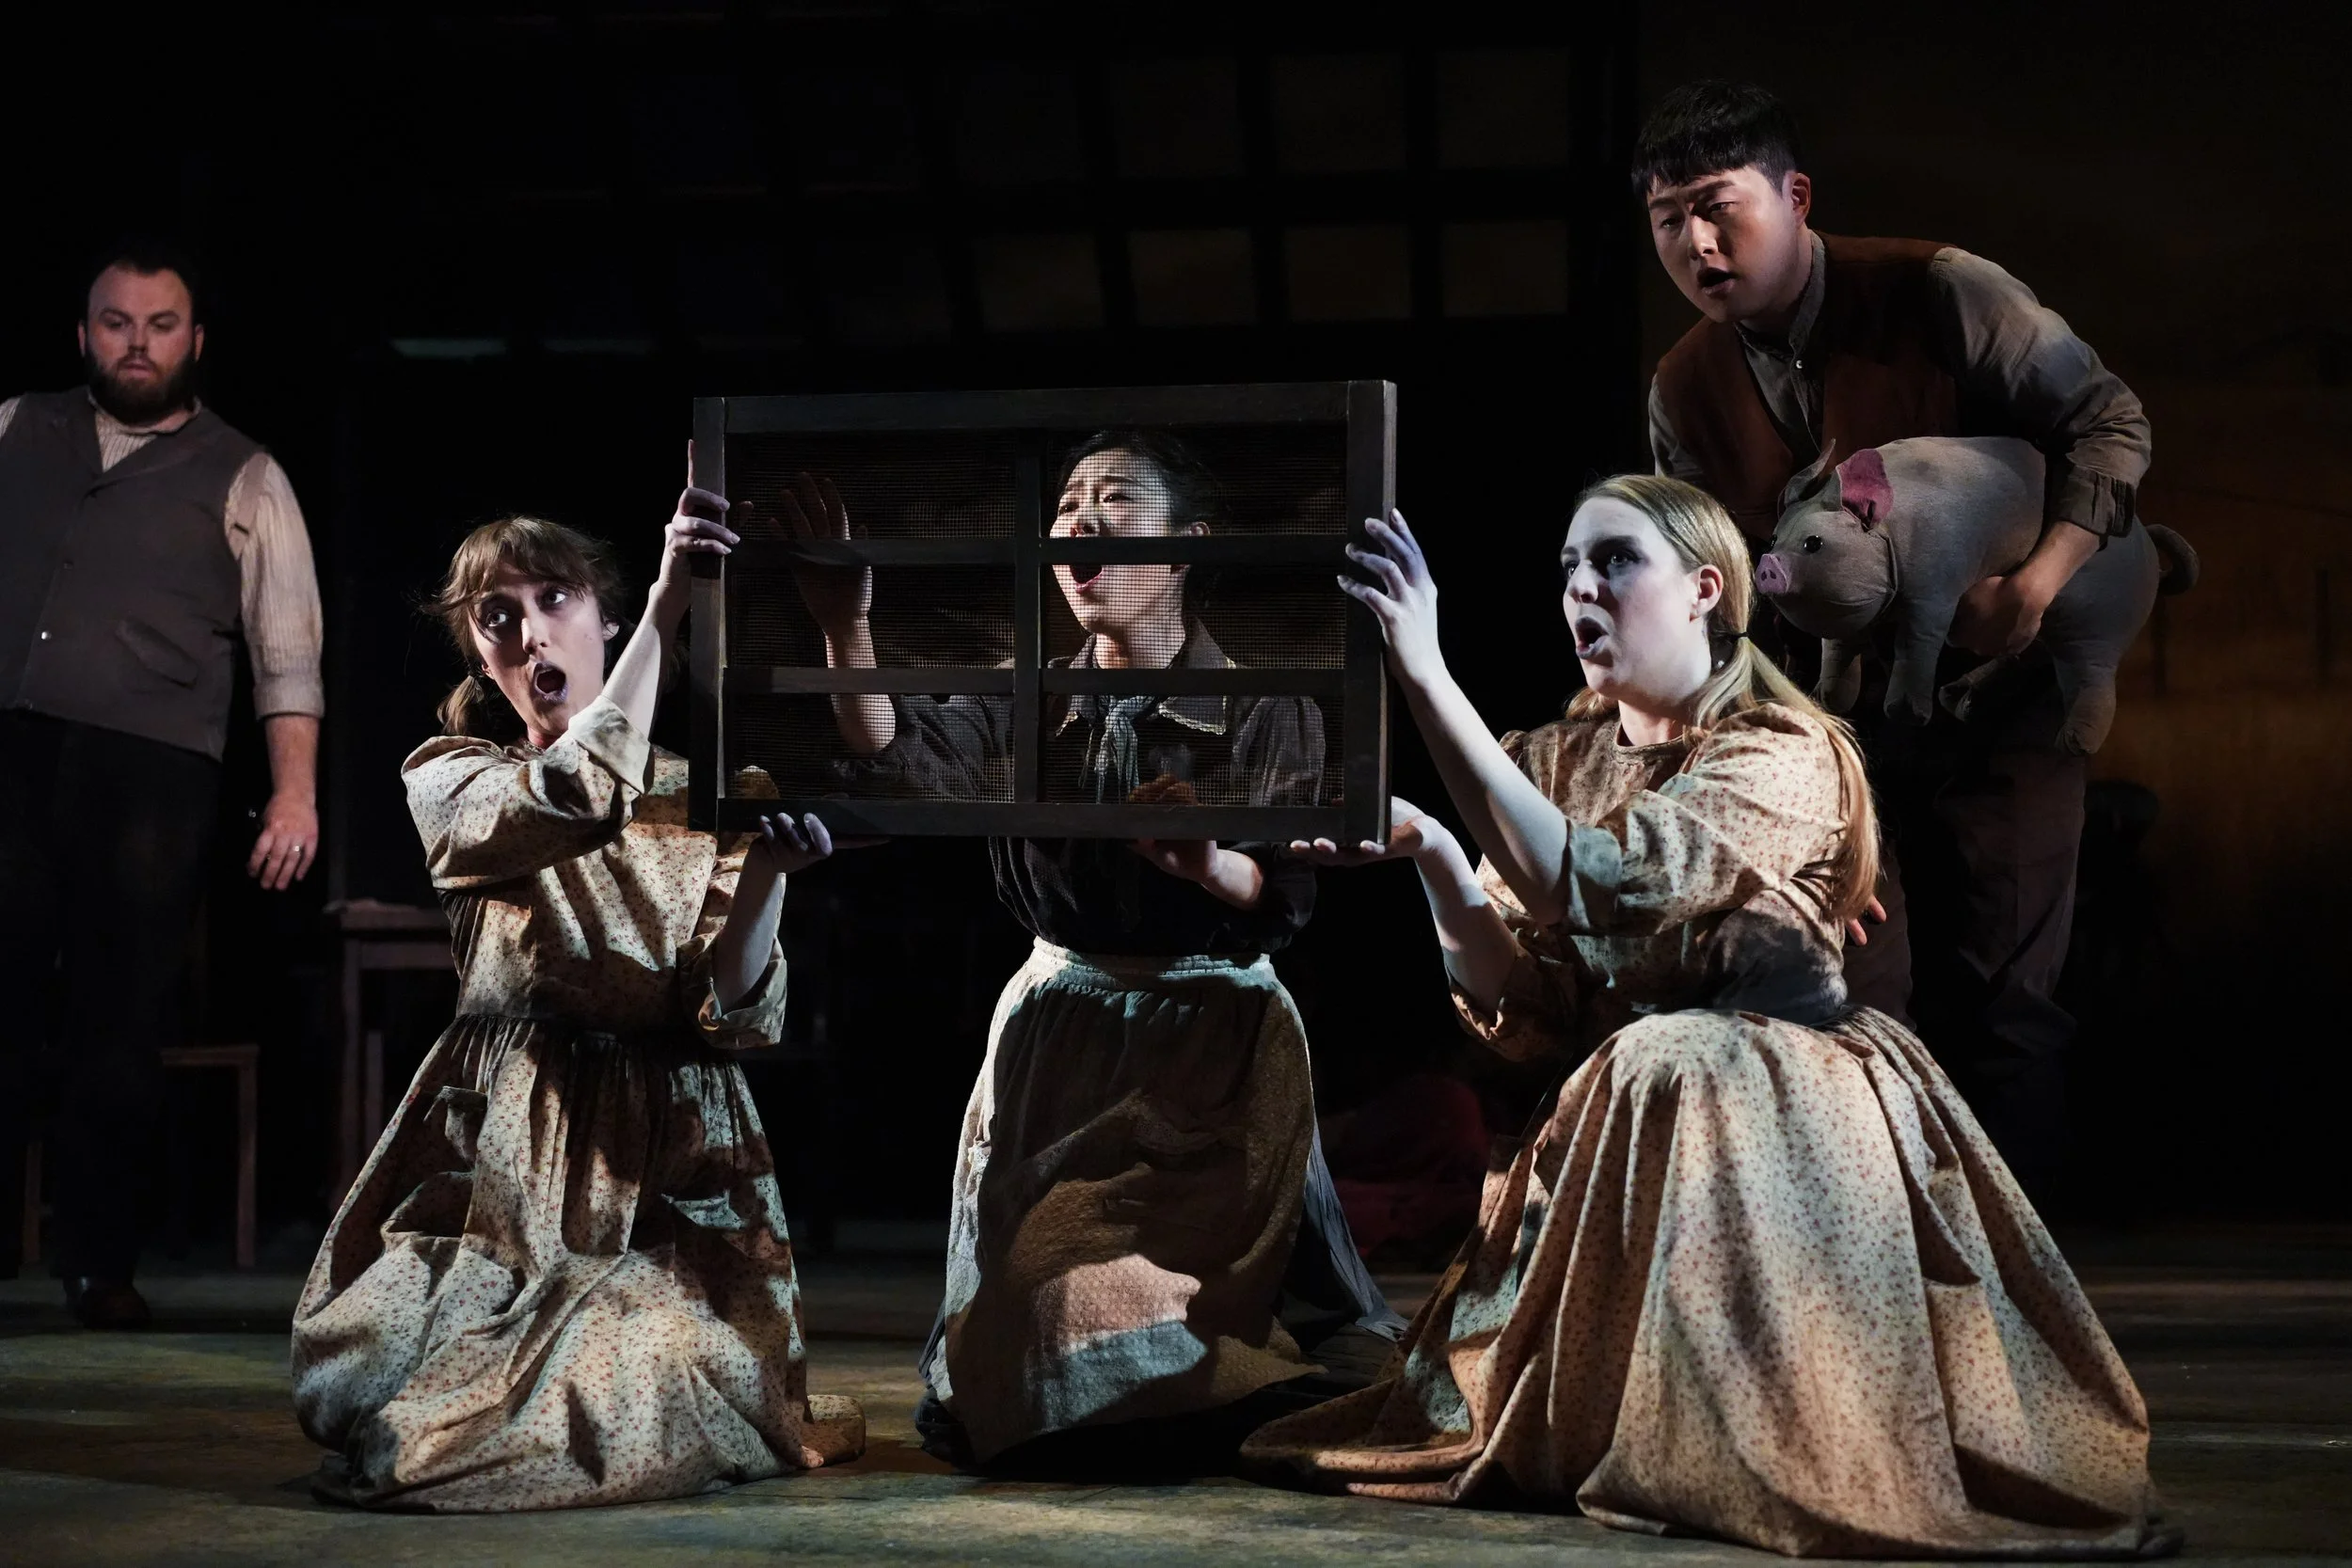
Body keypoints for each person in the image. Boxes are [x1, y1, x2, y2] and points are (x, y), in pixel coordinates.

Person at [1242, 481, 2170, 1556]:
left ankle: (1758, 1428)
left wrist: (1425, 670)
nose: (1581, 585)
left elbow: (1606, 880)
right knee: (1641, 1057)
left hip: (1775, 1096)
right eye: (1566, 568)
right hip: (1630, 1098)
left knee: (1671, 1053)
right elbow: (1532, 1017)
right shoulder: (1549, 758)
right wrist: (1442, 864)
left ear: (1703, 589)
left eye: (1615, 560)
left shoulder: (1782, 747)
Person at [786, 430, 1398, 1471]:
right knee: (1023, 1334)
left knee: (1149, 1324)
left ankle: (1231, 1368)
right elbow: (899, 755)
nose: (1078, 517)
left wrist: (1208, 864)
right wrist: (848, 623)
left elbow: (1282, 891)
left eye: (1112, 498)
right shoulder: (1026, 694)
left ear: (1185, 545)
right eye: (1067, 500)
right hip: (1060, 1047)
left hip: (1212, 1054)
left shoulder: (1262, 701)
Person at [290, 476, 865, 1510]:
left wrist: (768, 878)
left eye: (553, 598)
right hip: (504, 1169)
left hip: (663, 1168)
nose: (528, 631)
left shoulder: (711, 794)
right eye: (496, 616)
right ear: (478, 653)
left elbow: (729, 1009)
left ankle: (524, 1407)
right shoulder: (457, 776)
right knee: (363, 1378)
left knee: (629, 1358)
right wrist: (666, 603)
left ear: (600, 615)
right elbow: (578, 792)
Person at [1638, 82, 2153, 1205]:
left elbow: (2109, 424)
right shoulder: (1685, 387)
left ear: (1795, 196)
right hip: (1835, 743)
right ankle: (1884, 1289)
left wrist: (2036, 584)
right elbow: (1713, 600)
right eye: (1669, 218)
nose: (1697, 242)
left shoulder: (1936, 289)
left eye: (1718, 207)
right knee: (1851, 995)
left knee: (2007, 1006)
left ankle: (2023, 1314)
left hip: (2003, 700)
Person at [0, 243, 325, 1328]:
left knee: (117, 1018)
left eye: (160, 324)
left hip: (151, 770)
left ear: (195, 341)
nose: (136, 343)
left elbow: (288, 656)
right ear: (81, 334)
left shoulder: (247, 473)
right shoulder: (13, 428)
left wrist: (294, 795)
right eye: (115, 323)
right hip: (12, 752)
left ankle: (98, 1262)